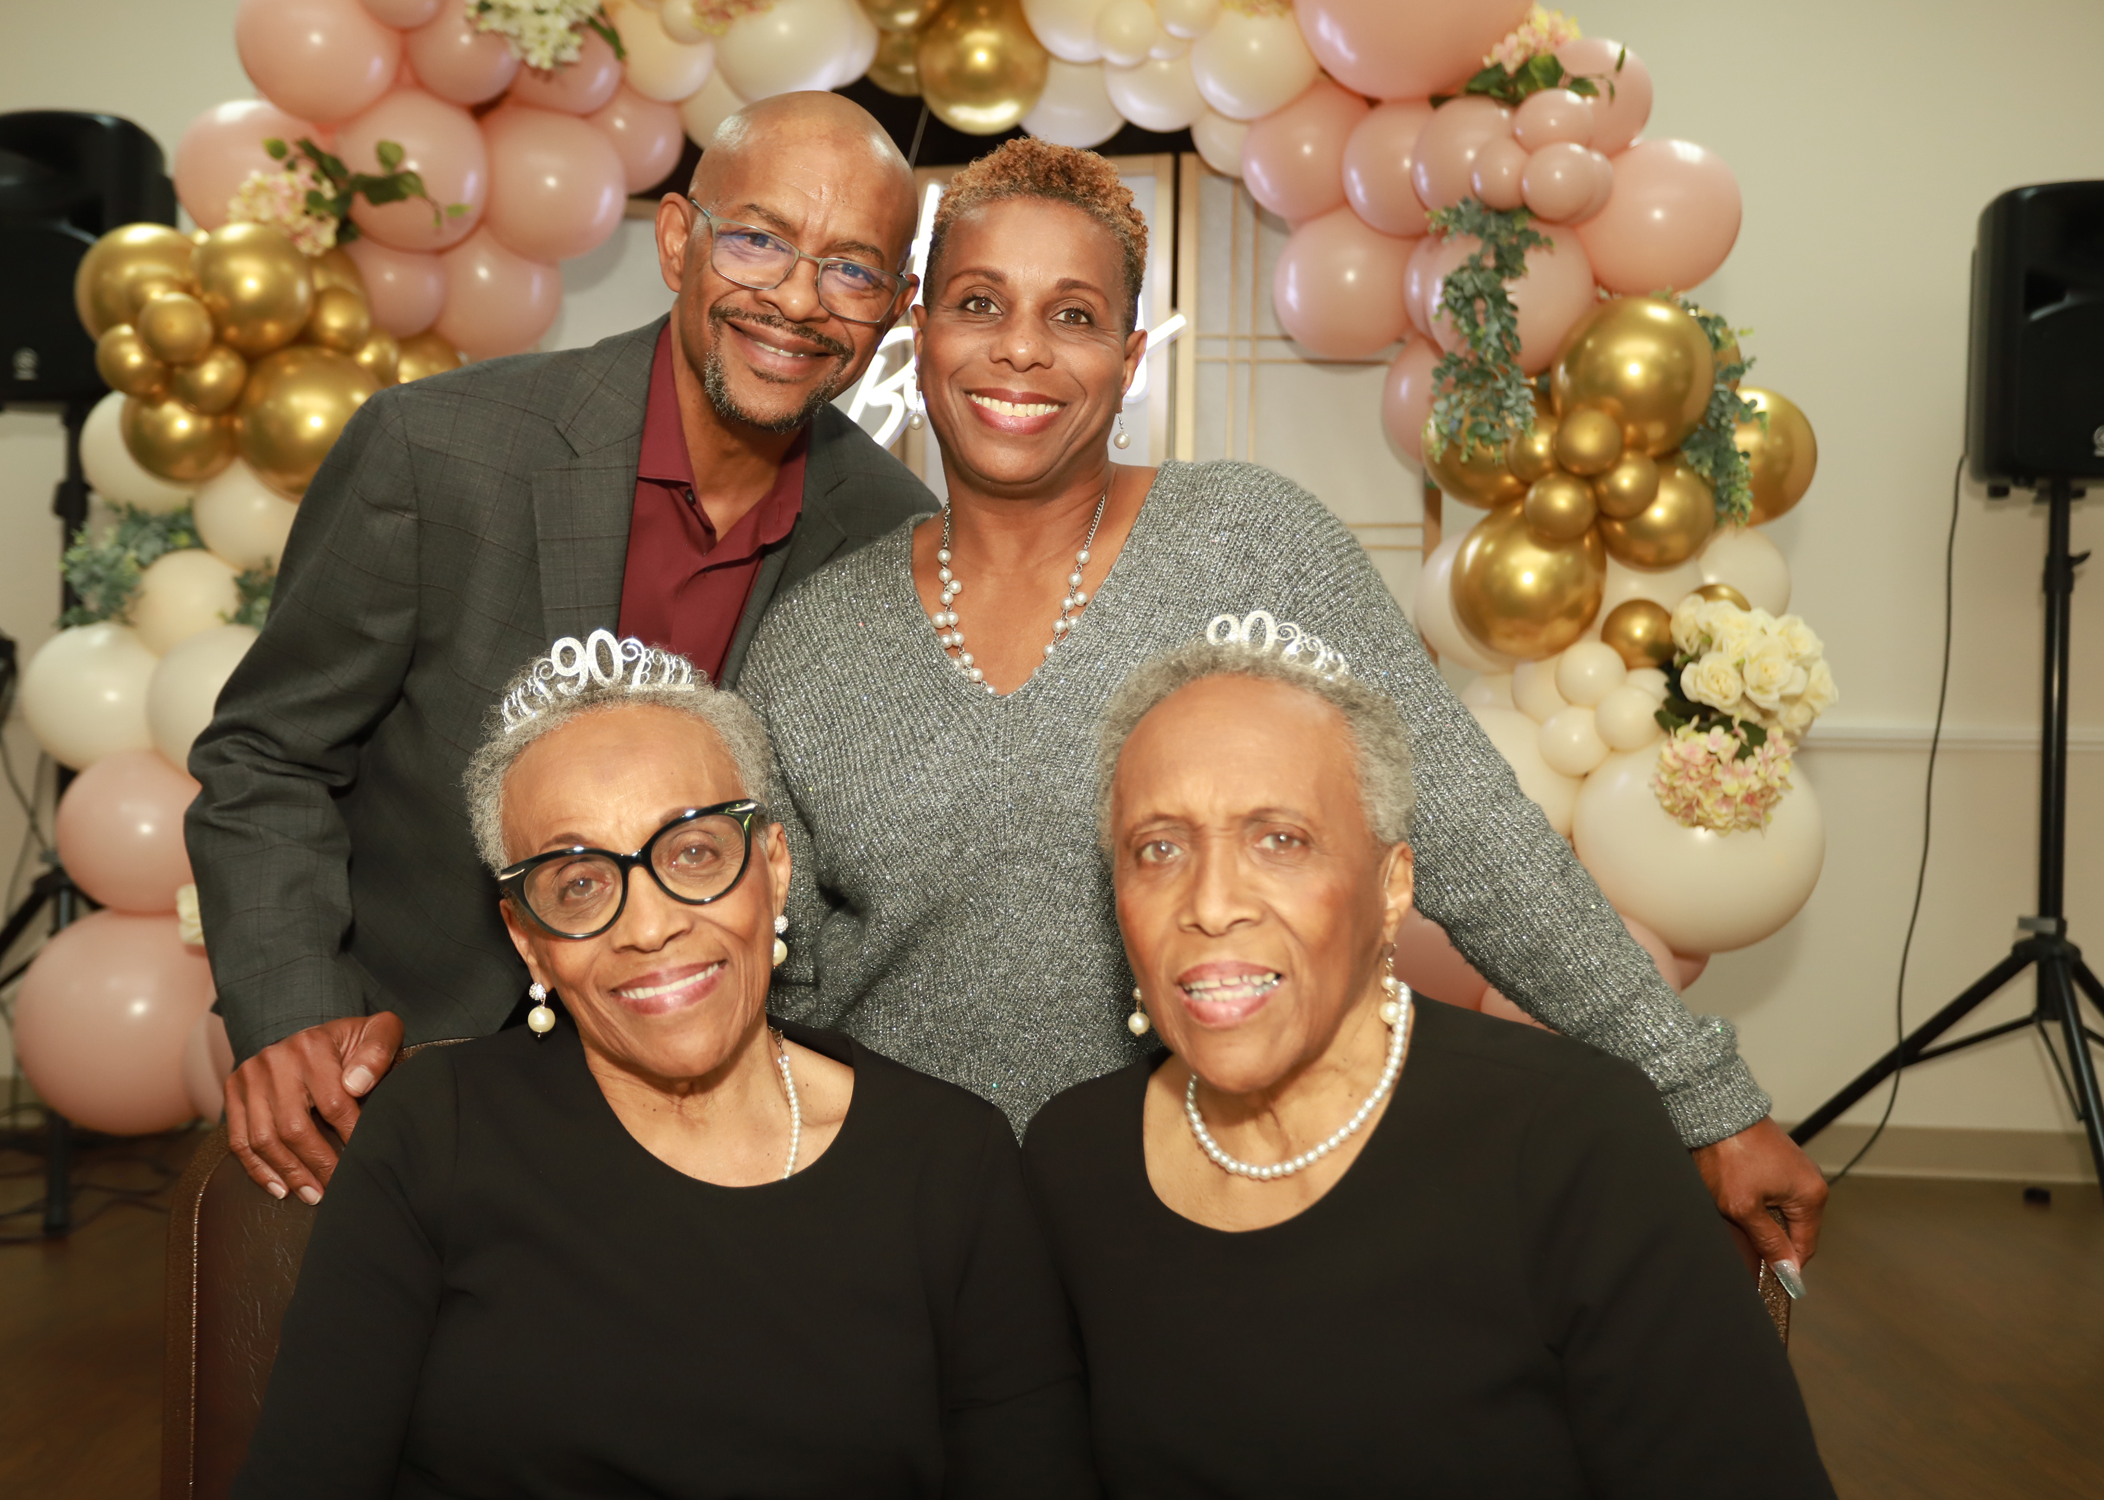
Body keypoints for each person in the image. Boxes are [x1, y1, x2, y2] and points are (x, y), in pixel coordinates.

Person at [735, 137, 1826, 1271]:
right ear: (920, 329)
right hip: (912, 1236)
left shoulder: (1250, 547)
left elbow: (1480, 841)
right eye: (978, 302)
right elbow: (775, 986)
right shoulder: (817, 638)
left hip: (1208, 1215)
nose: (1019, 349)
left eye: (1072, 315)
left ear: (1128, 352)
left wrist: (1706, 1099)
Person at [187, 92, 939, 1203]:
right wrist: (290, 1007)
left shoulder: (890, 534)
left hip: (704, 1108)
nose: (795, 299)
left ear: (895, 308)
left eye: (852, 269)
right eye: (758, 240)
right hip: (401, 1077)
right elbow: (267, 759)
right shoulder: (436, 453)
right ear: (678, 239)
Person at [232, 636, 1096, 1499]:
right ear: (527, 941)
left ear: (774, 868)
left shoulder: (951, 1159)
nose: (648, 928)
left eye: (693, 853)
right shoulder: (435, 1128)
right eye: (578, 883)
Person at [1018, 625, 1836, 1498]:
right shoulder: (1075, 1155)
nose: (1211, 903)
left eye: (1280, 839)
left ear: (1391, 887)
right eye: (1159, 848)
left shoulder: (1572, 1139)